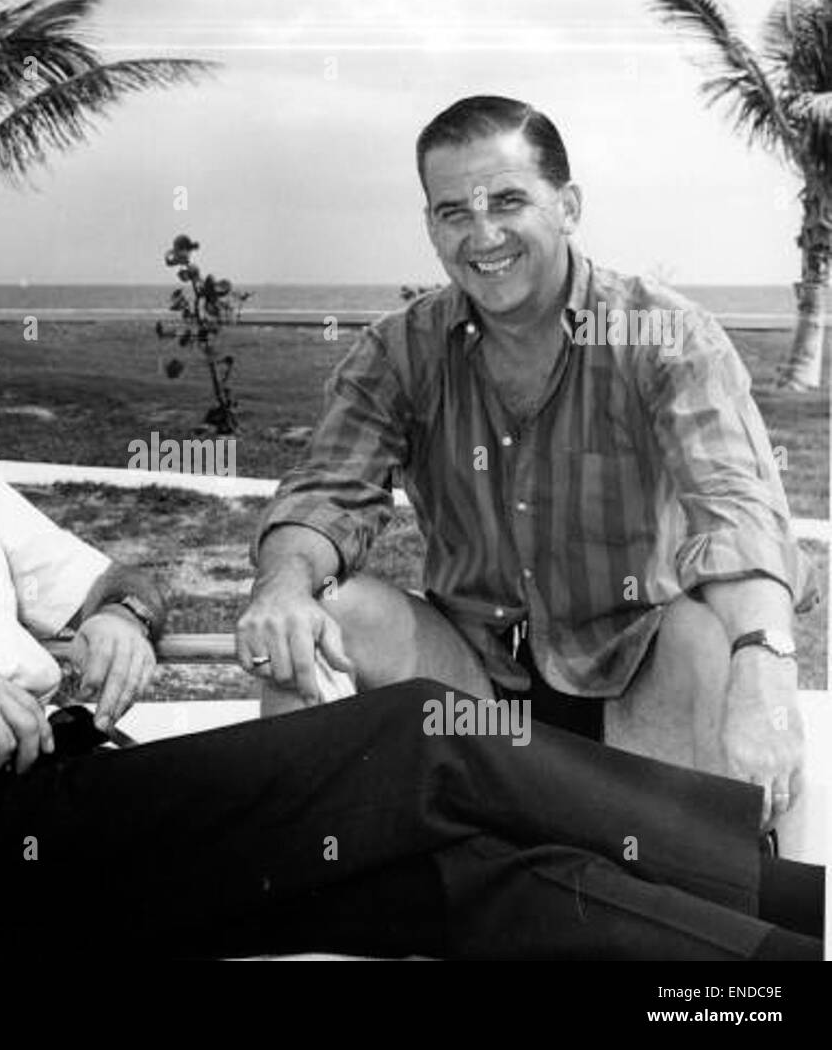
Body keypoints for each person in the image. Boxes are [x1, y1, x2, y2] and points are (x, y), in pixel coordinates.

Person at [0, 171, 822, 960]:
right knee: (432, 736)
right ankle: (794, 885)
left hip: (85, 805)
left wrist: (124, 613)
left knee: (482, 879)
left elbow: (117, 578)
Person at [239, 95, 818, 838]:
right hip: (470, 674)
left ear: (567, 205)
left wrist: (764, 660)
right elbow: (328, 492)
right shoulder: (399, 351)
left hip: (637, 668)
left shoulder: (664, 336)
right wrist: (285, 584)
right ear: (430, 226)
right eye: (454, 212)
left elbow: (735, 503)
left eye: (509, 200)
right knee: (319, 618)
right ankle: (318, 894)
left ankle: (770, 932)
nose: (484, 236)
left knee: (727, 651)